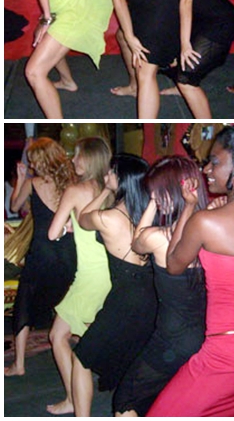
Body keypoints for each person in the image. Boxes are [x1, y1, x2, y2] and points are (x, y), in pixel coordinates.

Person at [147, 125, 234, 416]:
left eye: (214, 162)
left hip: (230, 352)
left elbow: (173, 264)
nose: (206, 169)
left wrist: (189, 209)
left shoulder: (206, 221)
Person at [114, 156, 209, 417]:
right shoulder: (212, 232)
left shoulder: (158, 238)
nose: (154, 196)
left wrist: (153, 204)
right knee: (169, 400)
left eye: (158, 192)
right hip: (205, 337)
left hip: (172, 339)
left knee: (126, 400)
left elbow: (137, 243)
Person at [70, 154, 156, 417]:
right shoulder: (149, 214)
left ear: (121, 179)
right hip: (151, 296)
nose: (106, 175)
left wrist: (105, 192)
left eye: (111, 173)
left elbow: (83, 219)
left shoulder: (108, 218)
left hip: (125, 298)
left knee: (82, 357)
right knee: (133, 360)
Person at [45, 137, 112, 415]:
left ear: (90, 158)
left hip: (90, 276)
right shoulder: (110, 190)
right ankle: (77, 397)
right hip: (111, 272)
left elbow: (52, 233)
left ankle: (74, 401)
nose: (73, 161)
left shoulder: (75, 190)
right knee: (73, 335)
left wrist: (64, 228)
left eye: (77, 155)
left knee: (58, 336)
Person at [4, 138, 77, 377]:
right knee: (69, 299)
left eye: (33, 161)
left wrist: (20, 178)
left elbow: (14, 207)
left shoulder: (32, 183)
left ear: (42, 160)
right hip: (68, 251)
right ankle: (79, 350)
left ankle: (19, 364)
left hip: (42, 251)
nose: (32, 165)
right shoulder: (72, 184)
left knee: (24, 301)